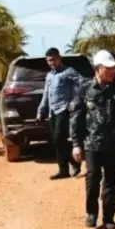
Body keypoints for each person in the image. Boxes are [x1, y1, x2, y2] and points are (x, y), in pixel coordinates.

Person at [70, 50, 115, 229]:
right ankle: (91, 213)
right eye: (108, 68)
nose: (112, 71)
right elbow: (76, 117)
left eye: (114, 68)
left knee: (112, 182)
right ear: (98, 69)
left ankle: (109, 217)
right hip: (91, 144)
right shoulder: (84, 89)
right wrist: (76, 144)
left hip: (114, 144)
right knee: (92, 178)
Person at [37, 47, 82, 180]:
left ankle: (72, 164)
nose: (52, 63)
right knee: (57, 142)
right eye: (49, 61)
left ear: (59, 58)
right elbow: (46, 94)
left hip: (64, 110)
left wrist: (74, 102)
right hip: (52, 112)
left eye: (54, 60)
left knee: (58, 139)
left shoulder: (69, 71)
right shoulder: (49, 75)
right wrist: (40, 111)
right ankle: (64, 169)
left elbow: (82, 85)